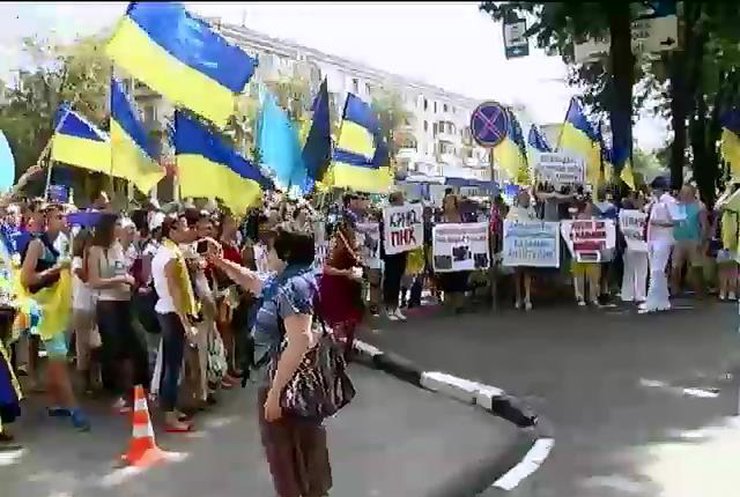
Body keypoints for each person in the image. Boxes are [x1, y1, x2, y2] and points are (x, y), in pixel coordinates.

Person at [207, 226, 333, 497]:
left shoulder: (292, 287)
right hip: (290, 380)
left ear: (285, 254)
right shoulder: (288, 280)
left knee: (290, 456)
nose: (268, 253)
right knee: (299, 454)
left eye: (272, 249)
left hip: (288, 383)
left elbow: (300, 340)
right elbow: (252, 280)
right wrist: (219, 261)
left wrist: (275, 394)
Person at [19, 203, 90, 430]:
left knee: (57, 358)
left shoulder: (65, 241)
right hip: (43, 311)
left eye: (65, 216)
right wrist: (55, 269)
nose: (64, 219)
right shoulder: (37, 245)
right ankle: (74, 408)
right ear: (47, 219)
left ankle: (54, 402)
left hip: (59, 309)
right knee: (59, 359)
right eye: (59, 216)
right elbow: (26, 280)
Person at [87, 213, 142, 413]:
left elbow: (122, 271)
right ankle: (115, 394)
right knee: (113, 348)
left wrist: (128, 280)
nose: (120, 227)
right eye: (117, 224)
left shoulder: (118, 247)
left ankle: (134, 390)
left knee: (133, 346)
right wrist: (119, 281)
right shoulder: (95, 251)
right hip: (107, 303)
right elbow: (94, 281)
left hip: (124, 301)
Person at [150, 215, 198, 432]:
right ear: (172, 230)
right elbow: (175, 291)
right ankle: (169, 414)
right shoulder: (170, 256)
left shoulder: (168, 252)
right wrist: (185, 321)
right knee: (172, 366)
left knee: (171, 362)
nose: (187, 230)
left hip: (167, 309)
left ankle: (169, 407)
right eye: (184, 227)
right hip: (171, 312)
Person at [320, 213, 364, 359]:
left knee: (350, 319)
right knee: (337, 319)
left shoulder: (353, 245)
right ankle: (336, 352)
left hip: (348, 287)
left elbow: (357, 265)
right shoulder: (333, 247)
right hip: (334, 285)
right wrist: (344, 273)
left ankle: (347, 349)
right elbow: (325, 268)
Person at [640, 177, 677, 314]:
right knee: (656, 271)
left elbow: (676, 221)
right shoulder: (655, 202)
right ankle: (661, 301)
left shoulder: (670, 201)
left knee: (657, 270)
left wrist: (658, 223)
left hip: (663, 239)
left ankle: (652, 302)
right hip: (652, 239)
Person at [70, 229, 101, 394]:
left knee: (95, 344)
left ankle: (95, 379)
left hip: (94, 305)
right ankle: (85, 382)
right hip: (81, 307)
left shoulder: (92, 260)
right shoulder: (77, 261)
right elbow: (84, 277)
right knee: (83, 346)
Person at [672, 185, 707, 296]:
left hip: (693, 240)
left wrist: (701, 241)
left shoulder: (699, 206)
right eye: (683, 192)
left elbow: (704, 225)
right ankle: (675, 290)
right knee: (675, 266)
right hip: (678, 240)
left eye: (687, 192)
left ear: (692, 193)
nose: (684, 195)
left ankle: (699, 292)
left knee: (696, 266)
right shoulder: (675, 206)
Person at [507, 190, 537, 310]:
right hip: (517, 247)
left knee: (528, 273)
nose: (526, 200)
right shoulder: (513, 211)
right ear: (519, 200)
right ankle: (519, 298)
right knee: (517, 274)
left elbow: (536, 223)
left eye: (528, 198)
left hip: (528, 246)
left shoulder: (531, 210)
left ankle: (528, 297)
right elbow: (509, 225)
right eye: (524, 198)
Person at [381, 192, 409, 320]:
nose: (403, 202)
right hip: (390, 253)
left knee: (397, 280)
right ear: (395, 201)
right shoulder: (387, 214)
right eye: (401, 199)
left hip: (401, 252)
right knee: (390, 280)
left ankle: (395, 307)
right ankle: (389, 308)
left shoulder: (404, 215)